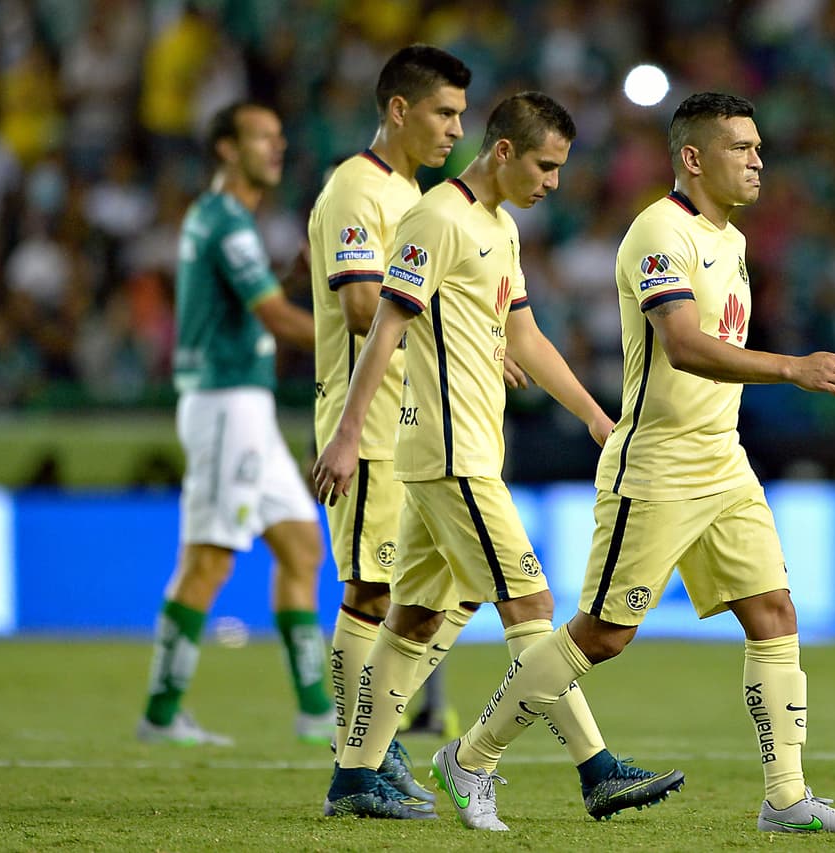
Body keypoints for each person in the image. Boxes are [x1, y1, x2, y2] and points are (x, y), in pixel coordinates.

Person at [428, 92, 835, 835]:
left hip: (723, 463)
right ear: (694, 158)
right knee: (602, 635)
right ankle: (470, 757)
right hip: (658, 466)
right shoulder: (657, 232)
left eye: (759, 146)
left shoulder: (728, 242)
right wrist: (793, 369)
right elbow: (684, 344)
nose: (758, 159)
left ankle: (786, 798)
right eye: (741, 147)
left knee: (774, 614)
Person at [311, 91, 684, 825]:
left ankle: (354, 772)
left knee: (415, 616)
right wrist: (350, 433)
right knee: (533, 605)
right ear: (505, 152)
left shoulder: (498, 228)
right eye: (545, 165)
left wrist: (594, 416)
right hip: (449, 451)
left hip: (463, 448)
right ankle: (596, 767)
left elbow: (525, 338)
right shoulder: (436, 217)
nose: (553, 182)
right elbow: (384, 324)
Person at [307, 44, 474, 804]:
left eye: (462, 116)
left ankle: (373, 741)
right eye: (444, 113)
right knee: (371, 593)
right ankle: (358, 763)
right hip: (367, 419)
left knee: (453, 590)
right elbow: (362, 305)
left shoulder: (413, 194)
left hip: (415, 420)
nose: (455, 131)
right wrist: (456, 330)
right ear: (399, 110)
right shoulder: (356, 189)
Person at [137, 101, 331, 746]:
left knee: (301, 545)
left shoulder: (226, 219)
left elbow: (253, 308)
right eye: (263, 138)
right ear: (226, 148)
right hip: (226, 403)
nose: (278, 148)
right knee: (210, 557)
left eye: (280, 137)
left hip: (247, 403)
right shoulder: (226, 220)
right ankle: (160, 717)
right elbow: (276, 319)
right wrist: (369, 345)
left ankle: (315, 713)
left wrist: (289, 278)